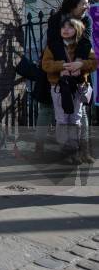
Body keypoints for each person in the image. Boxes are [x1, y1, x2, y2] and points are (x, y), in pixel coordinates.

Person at [41, 18, 96, 163]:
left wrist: (80, 64)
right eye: (63, 27)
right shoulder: (53, 46)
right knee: (62, 119)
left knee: (75, 119)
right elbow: (45, 65)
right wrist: (63, 66)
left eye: (70, 27)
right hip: (59, 87)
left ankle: (75, 151)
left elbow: (94, 63)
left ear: (77, 29)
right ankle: (65, 152)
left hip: (78, 87)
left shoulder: (83, 46)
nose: (65, 29)